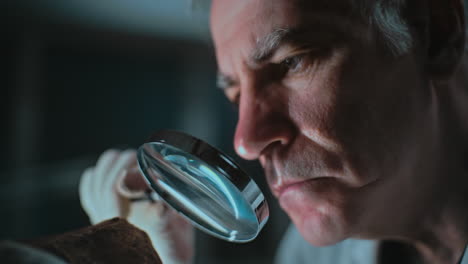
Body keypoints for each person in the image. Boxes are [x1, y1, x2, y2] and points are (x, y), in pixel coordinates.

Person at [79, 0, 468, 263]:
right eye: (235, 94)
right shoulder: (314, 254)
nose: (246, 142)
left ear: (433, 35)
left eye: (292, 63)